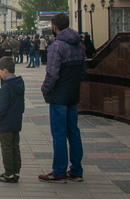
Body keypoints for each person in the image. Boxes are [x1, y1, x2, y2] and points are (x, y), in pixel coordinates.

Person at [39, 13, 86, 183]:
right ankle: (76, 170)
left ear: (54, 27)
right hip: (72, 95)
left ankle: (59, 171)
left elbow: (52, 73)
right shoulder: (79, 44)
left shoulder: (57, 46)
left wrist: (45, 89)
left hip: (59, 96)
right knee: (73, 132)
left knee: (59, 134)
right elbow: (83, 70)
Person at [0, 57, 25, 183]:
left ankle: (8, 174)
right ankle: (16, 172)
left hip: (6, 123)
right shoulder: (19, 83)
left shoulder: (6, 87)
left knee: (6, 148)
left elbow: (1, 107)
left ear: (5, 71)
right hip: (16, 122)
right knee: (15, 147)